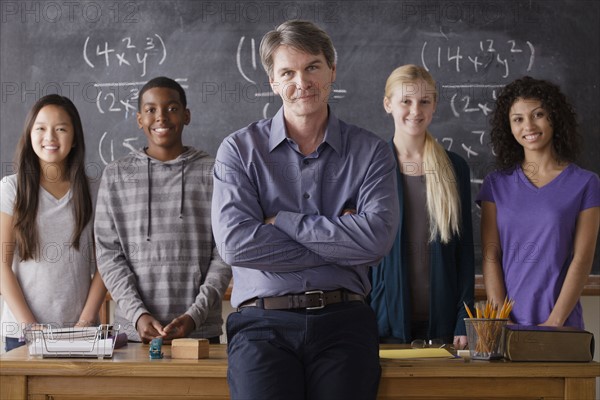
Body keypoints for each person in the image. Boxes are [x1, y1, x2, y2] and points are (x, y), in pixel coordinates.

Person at [211, 20, 399, 400]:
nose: (302, 81)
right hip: (262, 325)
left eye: (312, 66)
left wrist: (282, 221)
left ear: (332, 70)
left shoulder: (372, 153)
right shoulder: (238, 151)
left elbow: (375, 242)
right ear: (273, 82)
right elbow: (236, 246)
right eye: (288, 72)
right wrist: (339, 240)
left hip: (345, 323)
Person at [94, 76, 231, 344]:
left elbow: (225, 250)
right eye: (151, 110)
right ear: (139, 119)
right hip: (134, 334)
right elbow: (108, 253)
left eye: (172, 108)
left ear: (187, 115)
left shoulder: (215, 172)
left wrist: (195, 315)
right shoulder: (117, 175)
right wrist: (137, 315)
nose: (161, 117)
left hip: (200, 334)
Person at [477, 76, 600, 329]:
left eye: (538, 114)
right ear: (509, 127)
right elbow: (491, 254)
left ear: (554, 117)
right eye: (518, 119)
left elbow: (582, 258)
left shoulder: (586, 183)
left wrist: (555, 322)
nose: (529, 126)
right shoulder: (496, 184)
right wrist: (500, 317)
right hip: (505, 324)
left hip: (561, 324)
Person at [369, 65, 474, 350]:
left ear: (434, 105)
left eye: (424, 101)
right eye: (406, 101)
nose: (415, 110)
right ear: (388, 103)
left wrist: (463, 319)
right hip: (383, 324)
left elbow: (464, 252)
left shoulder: (455, 168)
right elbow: (359, 253)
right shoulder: (370, 166)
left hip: (443, 329)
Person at [0, 94, 106, 352]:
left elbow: (106, 262)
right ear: (29, 134)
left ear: (74, 138)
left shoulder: (94, 190)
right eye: (41, 128)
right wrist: (30, 326)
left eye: (61, 129)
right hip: (21, 334)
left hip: (81, 332)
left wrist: (86, 321)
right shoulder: (12, 188)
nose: (50, 137)